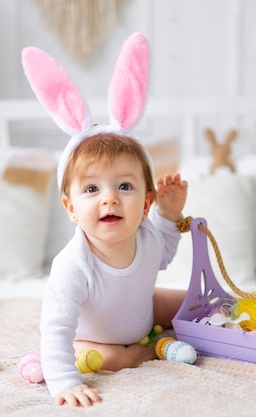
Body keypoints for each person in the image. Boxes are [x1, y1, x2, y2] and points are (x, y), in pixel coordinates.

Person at [40, 133, 188, 407]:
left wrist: (169, 215)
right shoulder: (72, 265)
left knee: (196, 302)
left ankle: (244, 312)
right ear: (71, 208)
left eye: (124, 185)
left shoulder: (148, 236)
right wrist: (65, 382)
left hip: (143, 309)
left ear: (145, 204)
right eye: (92, 189)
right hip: (91, 337)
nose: (110, 198)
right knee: (115, 358)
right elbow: (55, 327)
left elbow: (162, 257)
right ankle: (140, 353)